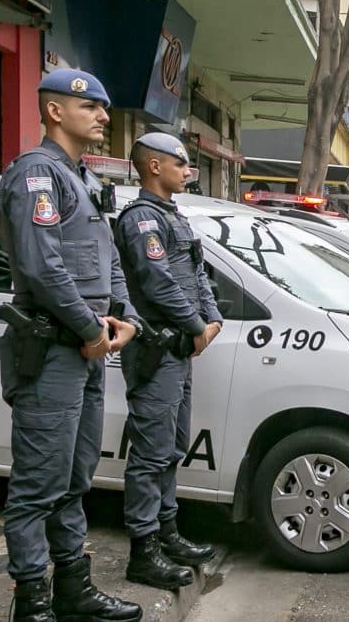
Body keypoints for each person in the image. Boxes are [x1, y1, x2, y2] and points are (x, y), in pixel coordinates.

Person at [0, 68, 143, 622]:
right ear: (55, 111)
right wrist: (90, 330)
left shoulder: (81, 179)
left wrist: (122, 318)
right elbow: (41, 265)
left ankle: (74, 591)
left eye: (105, 108)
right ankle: (33, 604)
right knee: (38, 484)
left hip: (87, 350)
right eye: (92, 108)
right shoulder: (36, 175)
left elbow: (106, 258)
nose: (104, 116)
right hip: (53, 349)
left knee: (76, 478)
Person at [113, 133, 223, 591]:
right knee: (151, 452)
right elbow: (157, 283)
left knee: (173, 447)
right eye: (181, 162)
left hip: (180, 351)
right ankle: (144, 549)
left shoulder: (173, 217)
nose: (187, 169)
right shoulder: (141, 220)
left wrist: (210, 318)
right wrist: (197, 325)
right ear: (154, 166)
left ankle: (167, 533)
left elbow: (196, 272)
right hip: (158, 351)